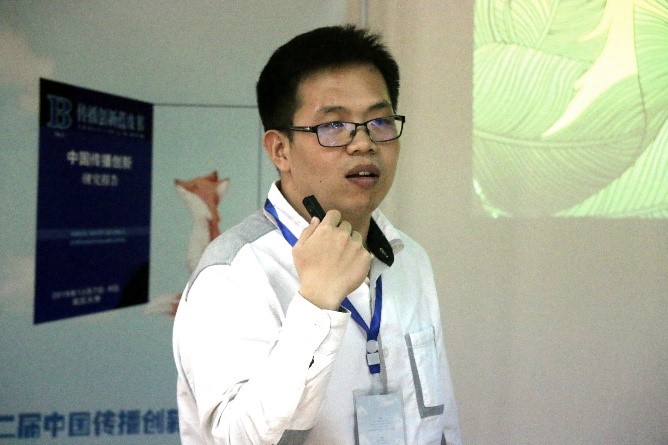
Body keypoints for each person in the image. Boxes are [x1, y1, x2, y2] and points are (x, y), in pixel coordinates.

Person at [172, 24, 461, 445]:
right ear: (280, 150)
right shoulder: (234, 272)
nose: (363, 143)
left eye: (380, 121)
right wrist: (315, 305)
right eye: (334, 125)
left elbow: (441, 420)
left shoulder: (409, 257)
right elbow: (235, 438)